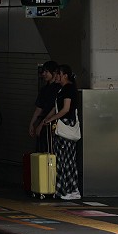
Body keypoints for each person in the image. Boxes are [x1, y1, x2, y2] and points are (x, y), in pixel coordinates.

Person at [49, 64, 83, 201]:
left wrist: (50, 119)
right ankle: (68, 189)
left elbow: (65, 109)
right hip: (65, 127)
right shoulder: (64, 89)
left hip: (65, 128)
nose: (56, 76)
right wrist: (48, 119)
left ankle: (69, 190)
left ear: (65, 75)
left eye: (58, 74)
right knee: (66, 160)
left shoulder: (68, 89)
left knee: (66, 160)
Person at [29, 60, 60, 146]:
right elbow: (39, 108)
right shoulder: (44, 89)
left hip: (53, 124)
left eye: (46, 71)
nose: (43, 74)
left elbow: (55, 108)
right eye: (43, 72)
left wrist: (42, 124)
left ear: (54, 73)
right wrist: (32, 123)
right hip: (43, 122)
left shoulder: (59, 89)